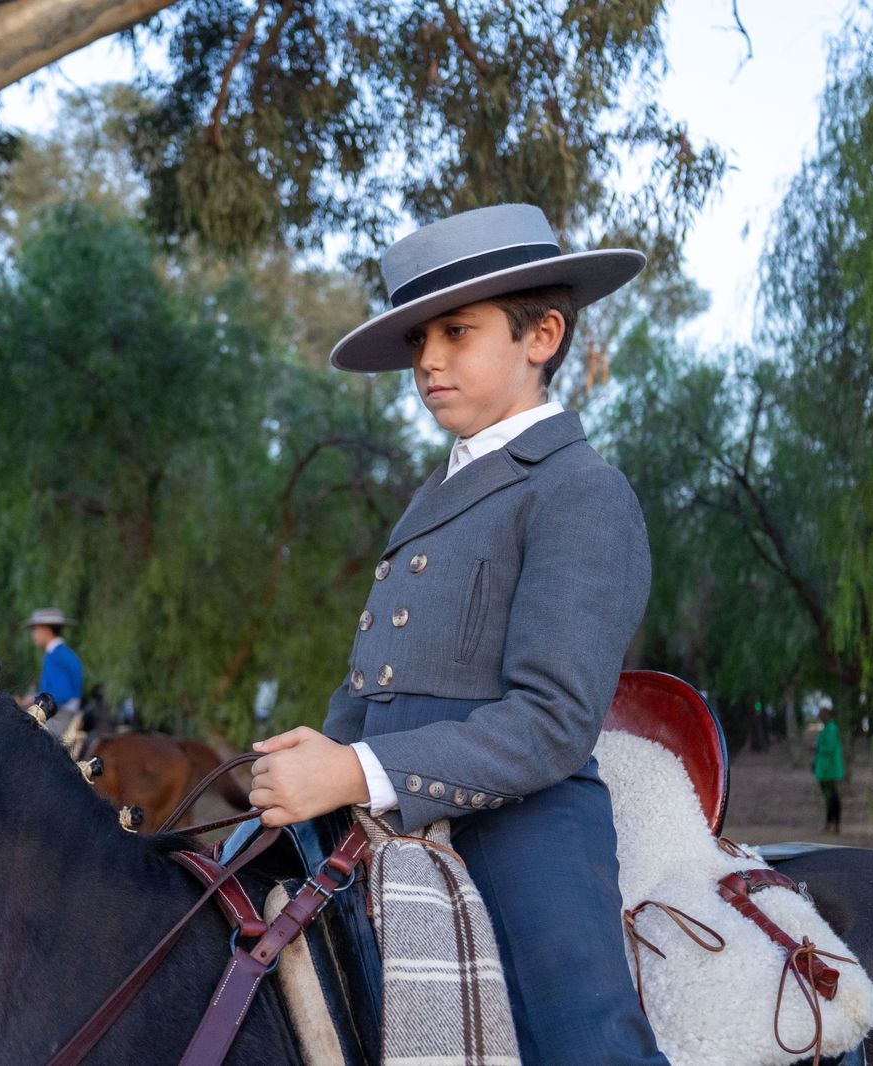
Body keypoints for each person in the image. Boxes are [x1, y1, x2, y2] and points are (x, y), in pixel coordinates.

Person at [244, 204, 665, 1064]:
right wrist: (314, 761)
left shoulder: (580, 490)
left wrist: (356, 769)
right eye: (417, 341)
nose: (428, 360)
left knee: (583, 1044)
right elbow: (375, 686)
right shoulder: (434, 496)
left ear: (541, 334)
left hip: (518, 820)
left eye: (457, 332)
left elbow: (551, 723)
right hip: (376, 809)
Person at [19, 609, 85, 739]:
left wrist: (33, 699)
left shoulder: (57, 655)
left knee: (25, 736)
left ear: (46, 630)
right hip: (60, 713)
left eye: (36, 630)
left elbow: (62, 694)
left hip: (62, 716)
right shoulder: (60, 653)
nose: (34, 635)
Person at [813, 702, 845, 834]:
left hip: (830, 770)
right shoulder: (827, 728)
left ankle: (834, 823)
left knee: (833, 798)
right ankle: (830, 823)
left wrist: (817, 748)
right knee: (829, 798)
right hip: (825, 770)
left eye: (821, 714)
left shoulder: (831, 729)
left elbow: (830, 748)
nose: (819, 716)